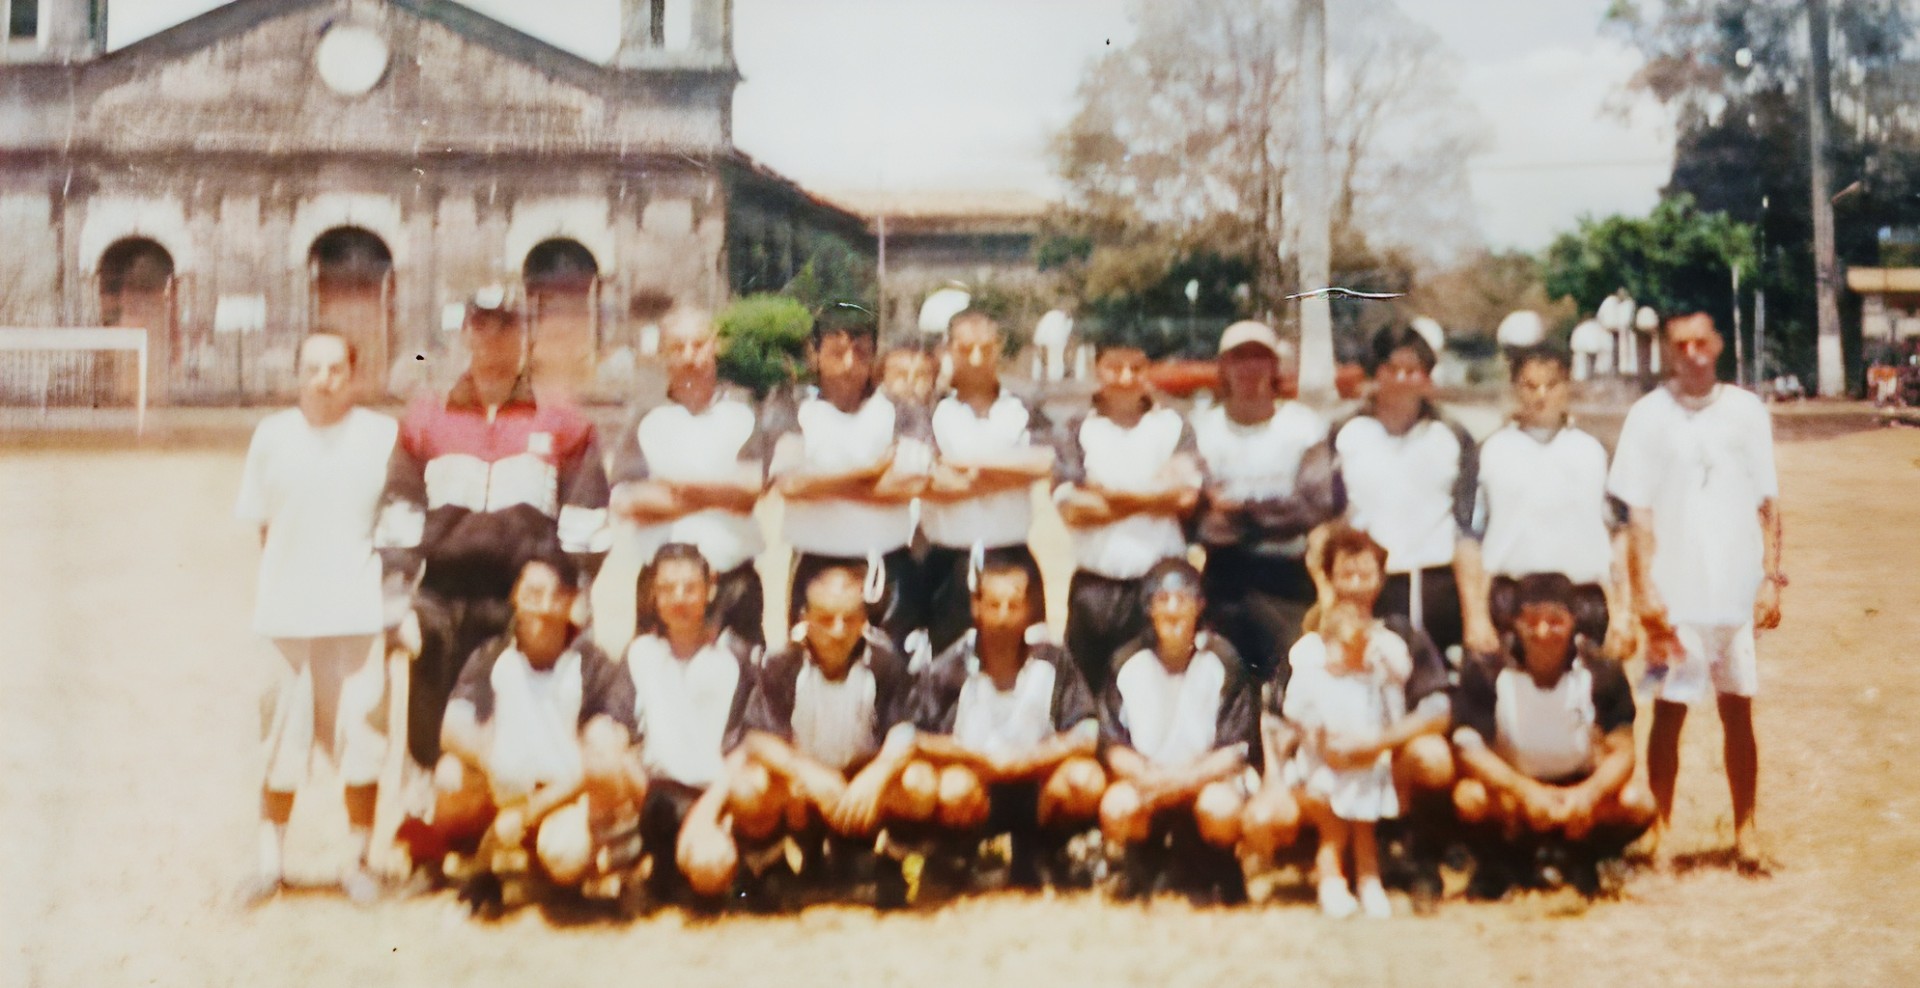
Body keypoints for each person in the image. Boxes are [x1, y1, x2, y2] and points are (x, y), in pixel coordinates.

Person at [376, 287, 611, 789]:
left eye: (506, 325)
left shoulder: (563, 422)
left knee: (516, 704)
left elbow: (586, 511)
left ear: (522, 334)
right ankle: (427, 818)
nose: (494, 337)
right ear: (466, 334)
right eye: (483, 325)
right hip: (443, 590)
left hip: (522, 595)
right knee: (431, 702)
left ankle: (511, 818)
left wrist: (580, 591)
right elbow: (400, 506)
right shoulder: (426, 418)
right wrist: (395, 596)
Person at [1608, 312, 1783, 872]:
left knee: (1739, 714)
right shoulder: (1648, 415)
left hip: (1733, 593)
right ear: (1667, 351)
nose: (1692, 353)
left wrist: (1770, 579)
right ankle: (1659, 832)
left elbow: (1768, 501)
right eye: (1680, 344)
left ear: (1719, 345)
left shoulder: (1747, 411)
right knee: (1668, 713)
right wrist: (1642, 594)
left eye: (1701, 342)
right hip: (1673, 598)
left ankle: (1745, 832)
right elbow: (1635, 512)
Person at [234, 332, 399, 905]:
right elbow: (262, 525)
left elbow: (396, 528)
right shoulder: (271, 437)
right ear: (297, 373)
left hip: (358, 616)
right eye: (313, 368)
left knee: (362, 743)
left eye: (335, 368)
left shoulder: (382, 436)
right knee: (279, 743)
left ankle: (357, 863)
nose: (324, 378)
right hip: (284, 620)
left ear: (353, 374)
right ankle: (269, 864)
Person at [396, 552, 640, 911]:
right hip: (507, 790)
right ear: (514, 598)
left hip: (563, 795)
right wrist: (488, 758)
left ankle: (572, 865)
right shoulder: (493, 656)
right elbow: (451, 726)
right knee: (450, 777)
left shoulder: (593, 664)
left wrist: (533, 812)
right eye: (531, 594)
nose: (540, 608)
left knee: (565, 855)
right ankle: (483, 858)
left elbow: (605, 759)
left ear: (571, 602)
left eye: (552, 596)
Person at [679, 564, 925, 904]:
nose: (838, 631)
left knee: (918, 782)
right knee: (749, 786)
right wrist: (806, 772)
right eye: (825, 619)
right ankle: (771, 867)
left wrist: (877, 775)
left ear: (863, 621)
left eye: (849, 619)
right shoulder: (781, 665)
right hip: (802, 795)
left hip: (858, 793)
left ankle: (891, 865)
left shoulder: (885, 664)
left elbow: (905, 732)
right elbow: (755, 738)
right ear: (804, 618)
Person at [1272, 525, 1453, 917]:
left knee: (1431, 756)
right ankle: (1331, 879)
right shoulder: (1310, 641)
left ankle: (1409, 859)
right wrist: (1322, 744)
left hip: (1382, 759)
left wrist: (1376, 745)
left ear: (1382, 577)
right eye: (1345, 575)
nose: (1355, 585)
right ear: (1329, 577)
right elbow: (1284, 712)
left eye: (1365, 574)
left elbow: (1437, 709)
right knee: (1332, 825)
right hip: (1325, 762)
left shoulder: (1396, 636)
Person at [905, 555, 1108, 889]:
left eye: (1013, 605)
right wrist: (976, 758)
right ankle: (961, 855)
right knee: (953, 787)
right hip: (978, 786)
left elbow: (1088, 731)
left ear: (1028, 610)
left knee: (1086, 779)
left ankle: (1046, 852)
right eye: (993, 605)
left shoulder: (1053, 661)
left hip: (1036, 786)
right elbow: (916, 738)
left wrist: (1029, 760)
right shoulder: (949, 667)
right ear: (976, 607)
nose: (1002, 617)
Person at [1451, 573, 1656, 898]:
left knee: (1638, 802)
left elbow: (1624, 751)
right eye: (1531, 621)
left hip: (1576, 789)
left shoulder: (1601, 671)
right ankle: (1504, 862)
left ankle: (1583, 858)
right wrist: (1525, 791)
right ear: (1515, 623)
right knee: (1469, 797)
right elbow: (1468, 750)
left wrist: (1586, 796)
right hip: (1516, 791)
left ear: (1574, 621)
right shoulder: (1487, 670)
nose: (1542, 632)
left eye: (1555, 621)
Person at [766, 302, 932, 654]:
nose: (848, 365)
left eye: (860, 353)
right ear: (814, 354)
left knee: (890, 677)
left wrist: (823, 483)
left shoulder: (900, 411)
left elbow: (910, 484)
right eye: (837, 352)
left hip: (885, 566)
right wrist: (869, 472)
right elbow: (791, 485)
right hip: (815, 564)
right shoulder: (792, 407)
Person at [1097, 559, 1259, 902]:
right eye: (1163, 600)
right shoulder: (1125, 662)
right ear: (1148, 608)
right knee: (1118, 806)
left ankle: (1219, 866)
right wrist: (1151, 778)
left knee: (1221, 808)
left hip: (1205, 781)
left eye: (1183, 600)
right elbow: (1113, 745)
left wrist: (1182, 780)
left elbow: (1236, 748)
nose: (1173, 611)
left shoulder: (1224, 660)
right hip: (1149, 780)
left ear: (1199, 606)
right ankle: (1143, 863)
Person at [608, 308, 770, 646]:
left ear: (715, 347)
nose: (689, 356)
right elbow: (628, 502)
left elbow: (750, 491)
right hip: (663, 589)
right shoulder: (645, 419)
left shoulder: (744, 412)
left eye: (698, 345)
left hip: (733, 585)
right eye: (678, 347)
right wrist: (719, 492)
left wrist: (674, 485)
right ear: (664, 355)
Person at [1190, 321, 1341, 685]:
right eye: (1239, 358)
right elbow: (1197, 517)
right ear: (1223, 366)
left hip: (1285, 573)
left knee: (1293, 677)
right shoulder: (1202, 430)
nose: (1249, 368)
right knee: (1222, 679)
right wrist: (1272, 511)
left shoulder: (1303, 427)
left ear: (1275, 367)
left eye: (1260, 357)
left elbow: (1315, 506)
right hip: (1223, 576)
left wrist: (1237, 512)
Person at [1328, 325, 1486, 660]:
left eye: (1412, 371)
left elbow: (1468, 525)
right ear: (1375, 374)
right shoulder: (1346, 434)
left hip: (1436, 585)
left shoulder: (1452, 436)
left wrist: (1475, 615)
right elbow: (1330, 516)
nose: (1401, 379)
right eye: (1391, 369)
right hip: (1369, 587)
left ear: (1426, 378)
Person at [1055, 342, 1203, 693]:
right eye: (1114, 367)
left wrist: (1106, 492)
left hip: (1160, 588)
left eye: (1136, 368)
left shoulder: (1173, 426)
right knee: (1088, 694)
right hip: (1096, 587)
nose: (1125, 378)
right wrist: (1155, 495)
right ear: (1097, 370)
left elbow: (1185, 497)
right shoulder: (1076, 429)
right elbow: (1073, 510)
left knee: (1158, 691)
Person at [1468, 344, 1633, 656]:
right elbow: (1472, 539)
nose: (1540, 396)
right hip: (1512, 601)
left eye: (1551, 385)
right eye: (1530, 386)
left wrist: (1623, 612)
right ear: (1516, 389)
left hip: (1583, 599)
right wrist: (1476, 614)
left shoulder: (1593, 452)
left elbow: (1618, 534)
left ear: (1567, 386)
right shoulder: (1490, 452)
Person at [620, 543, 758, 902]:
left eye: (689, 587)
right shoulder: (638, 655)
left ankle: (707, 859)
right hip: (654, 796)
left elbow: (748, 744)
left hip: (711, 793)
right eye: (667, 589)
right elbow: (619, 732)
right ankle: (649, 863)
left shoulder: (736, 658)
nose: (679, 599)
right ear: (653, 593)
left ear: (710, 588)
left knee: (710, 867)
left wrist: (708, 808)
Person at [921, 310, 1057, 655]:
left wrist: (962, 466)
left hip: (1012, 558)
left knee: (1022, 671)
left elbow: (1044, 463)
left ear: (998, 348)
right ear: (949, 350)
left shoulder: (1025, 407)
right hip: (948, 566)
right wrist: (1010, 472)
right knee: (945, 672)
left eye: (985, 347)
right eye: (966, 349)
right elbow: (931, 482)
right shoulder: (928, 410)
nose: (977, 358)